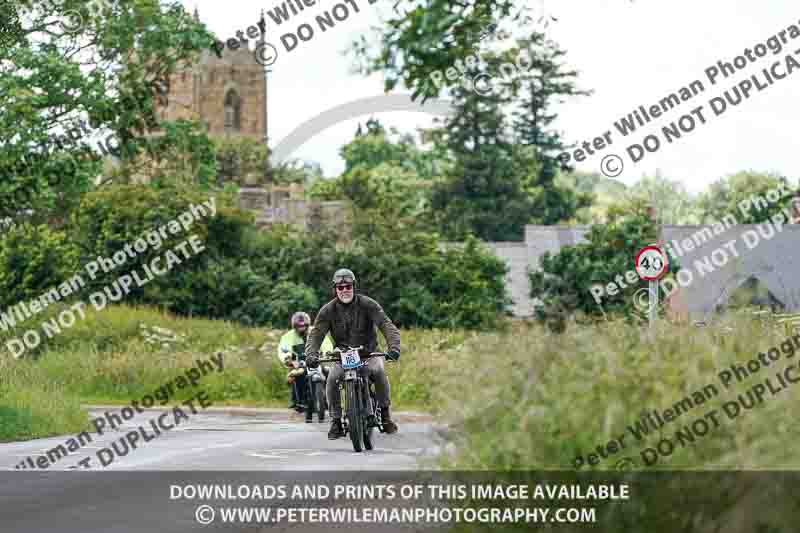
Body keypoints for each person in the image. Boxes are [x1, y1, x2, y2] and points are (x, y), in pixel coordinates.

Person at [305, 268, 401, 440]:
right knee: (332, 379)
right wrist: (311, 354)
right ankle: (336, 421)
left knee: (379, 372)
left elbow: (386, 324)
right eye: (340, 287)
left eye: (347, 286)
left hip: (368, 353)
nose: (344, 290)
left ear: (354, 286)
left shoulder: (368, 304)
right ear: (335, 289)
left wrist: (393, 347)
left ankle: (385, 415)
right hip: (342, 355)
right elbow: (316, 334)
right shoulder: (327, 310)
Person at [277, 312, 333, 417]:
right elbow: (283, 349)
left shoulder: (316, 332)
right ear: (294, 326)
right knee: (296, 375)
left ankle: (331, 400)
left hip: (317, 360)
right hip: (299, 362)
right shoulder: (288, 336)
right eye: (298, 326)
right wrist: (287, 358)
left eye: (303, 325)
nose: (301, 328)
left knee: (330, 373)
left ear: (308, 325)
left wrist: (327, 353)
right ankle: (298, 402)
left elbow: (326, 344)